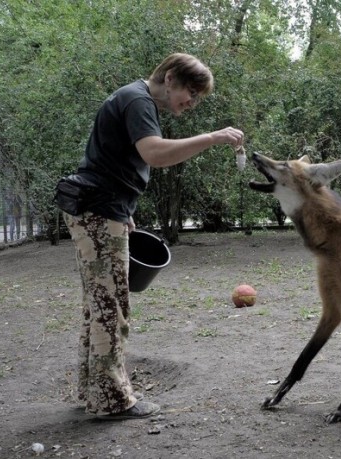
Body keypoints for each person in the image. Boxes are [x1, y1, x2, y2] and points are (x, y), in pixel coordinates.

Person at [60, 53, 244, 420]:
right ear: (170, 78)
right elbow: (154, 154)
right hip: (97, 210)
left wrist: (124, 211)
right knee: (111, 307)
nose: (190, 102)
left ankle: (91, 390)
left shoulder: (131, 98)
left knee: (99, 304)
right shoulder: (139, 100)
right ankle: (113, 400)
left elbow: (110, 160)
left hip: (99, 208)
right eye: (190, 93)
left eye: (197, 98)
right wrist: (213, 137)